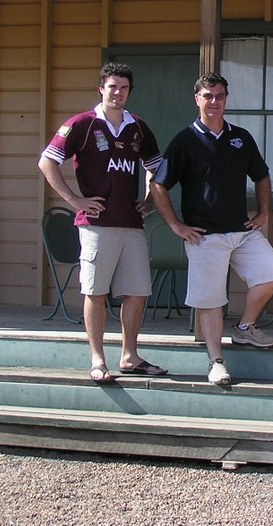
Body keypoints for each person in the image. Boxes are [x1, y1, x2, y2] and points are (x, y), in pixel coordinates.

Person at [149, 72, 273, 386]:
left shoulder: (241, 137)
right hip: (204, 236)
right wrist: (175, 225)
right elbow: (159, 185)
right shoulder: (185, 140)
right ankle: (217, 362)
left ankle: (245, 328)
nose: (214, 102)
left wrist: (263, 212)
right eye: (207, 96)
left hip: (242, 230)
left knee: (272, 273)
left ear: (226, 99)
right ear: (197, 99)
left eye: (219, 96)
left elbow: (261, 176)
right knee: (210, 300)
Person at [38, 62, 167, 385]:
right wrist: (74, 200)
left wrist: (151, 200)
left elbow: (157, 167)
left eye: (124, 88)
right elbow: (47, 162)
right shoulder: (81, 124)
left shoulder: (137, 126)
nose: (118, 93)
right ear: (101, 88)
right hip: (96, 223)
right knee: (95, 291)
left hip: (132, 223)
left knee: (137, 291)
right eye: (112, 87)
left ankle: (130, 355)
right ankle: (97, 359)